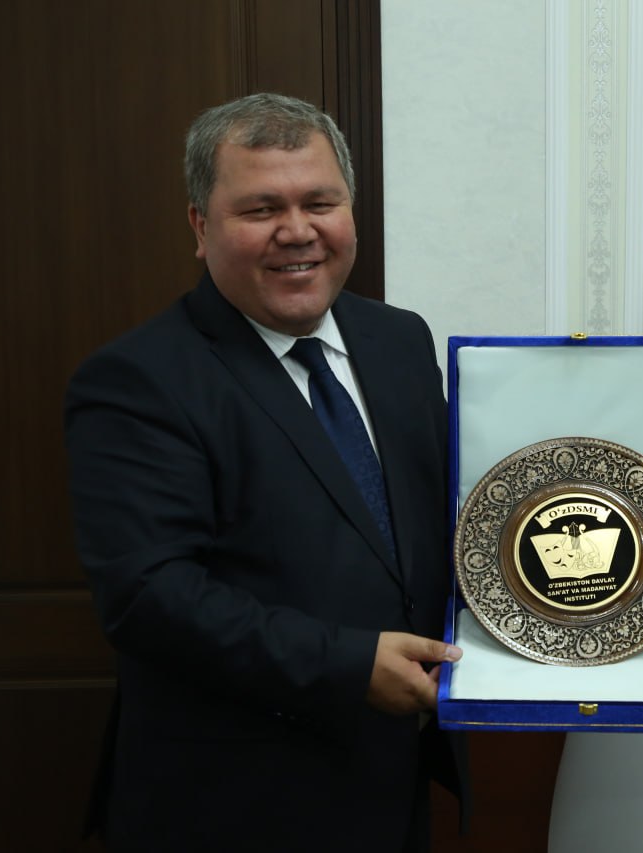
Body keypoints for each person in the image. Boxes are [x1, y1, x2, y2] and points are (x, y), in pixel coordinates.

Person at [65, 93, 465, 851]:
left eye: (320, 202)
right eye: (261, 209)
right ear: (200, 226)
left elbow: (444, 521)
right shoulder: (138, 380)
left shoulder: (399, 341)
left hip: (393, 779)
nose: (297, 231)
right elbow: (148, 596)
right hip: (234, 801)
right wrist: (349, 665)